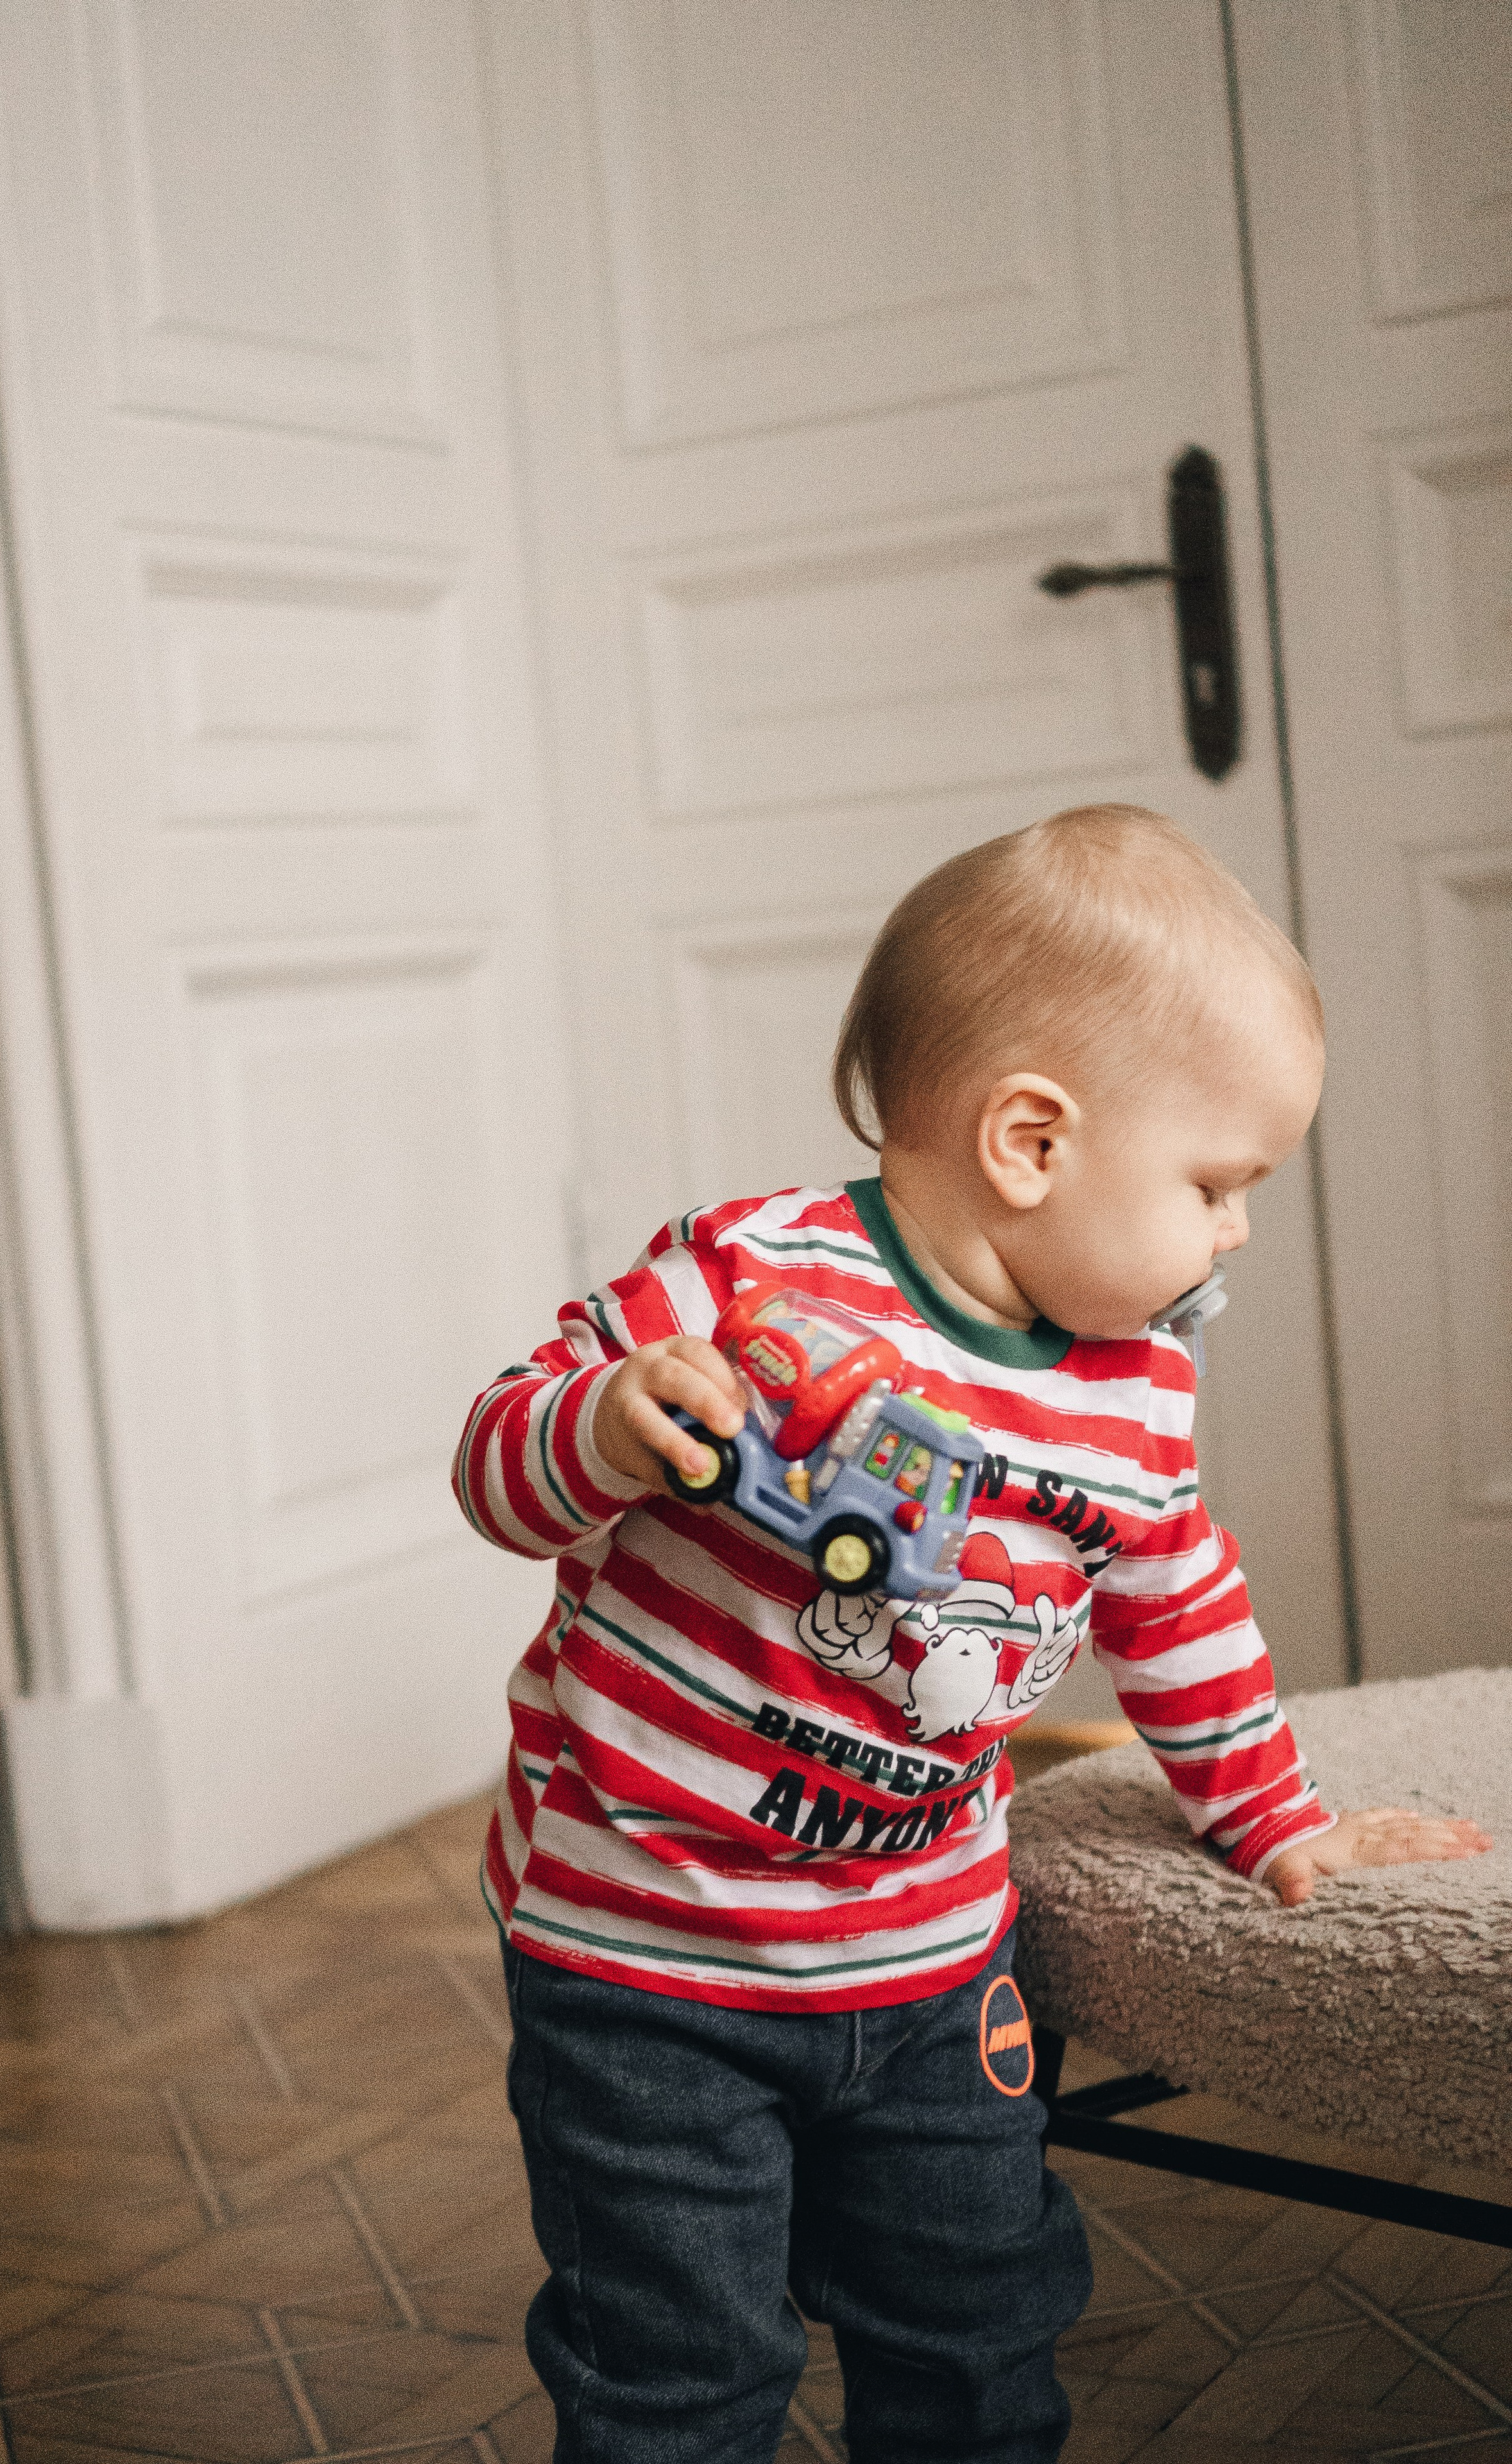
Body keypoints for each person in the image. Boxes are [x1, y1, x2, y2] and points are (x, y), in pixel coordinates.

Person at [452, 805, 1490, 2463]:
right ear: (1031, 1142)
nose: (1234, 1232)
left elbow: (1178, 1605)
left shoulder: (1137, 1391)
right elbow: (496, 1468)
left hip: (935, 1963)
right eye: (1216, 1186)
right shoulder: (741, 1279)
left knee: (980, 2336)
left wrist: (1272, 1817)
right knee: (678, 2373)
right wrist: (605, 1423)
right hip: (648, 1955)